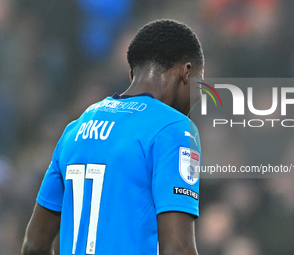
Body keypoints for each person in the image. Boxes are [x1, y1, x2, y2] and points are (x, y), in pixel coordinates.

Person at [22, 19, 204, 255]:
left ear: (132, 75)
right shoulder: (174, 128)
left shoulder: (74, 130)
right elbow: (178, 249)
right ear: (186, 72)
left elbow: (34, 245)